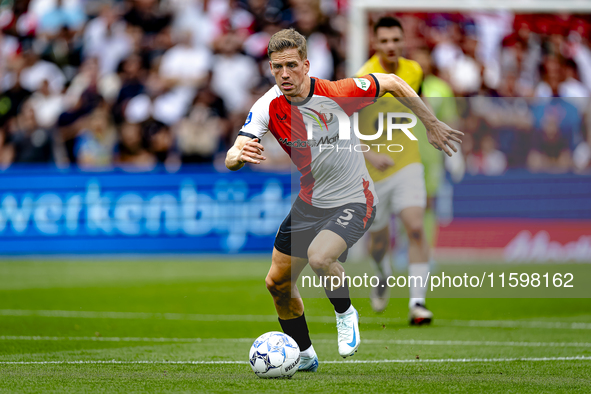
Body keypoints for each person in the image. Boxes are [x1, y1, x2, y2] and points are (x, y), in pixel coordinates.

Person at [225, 28, 461, 371]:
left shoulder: (338, 91)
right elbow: (235, 152)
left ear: (306, 65)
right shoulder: (267, 106)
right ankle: (304, 356)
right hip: (310, 201)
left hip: (355, 197)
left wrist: (431, 123)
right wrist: (237, 154)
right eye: (277, 67)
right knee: (276, 283)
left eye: (291, 65)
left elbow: (392, 81)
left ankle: (345, 312)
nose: (284, 74)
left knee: (320, 257)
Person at [355, 17, 437, 324]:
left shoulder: (414, 70)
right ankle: (381, 272)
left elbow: (419, 100)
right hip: (373, 171)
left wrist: (433, 126)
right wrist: (370, 153)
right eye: (384, 41)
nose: (391, 46)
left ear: (404, 42)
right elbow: (345, 126)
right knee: (378, 243)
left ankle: (417, 303)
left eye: (395, 40)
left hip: (407, 161)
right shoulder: (364, 78)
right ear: (375, 44)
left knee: (415, 226)